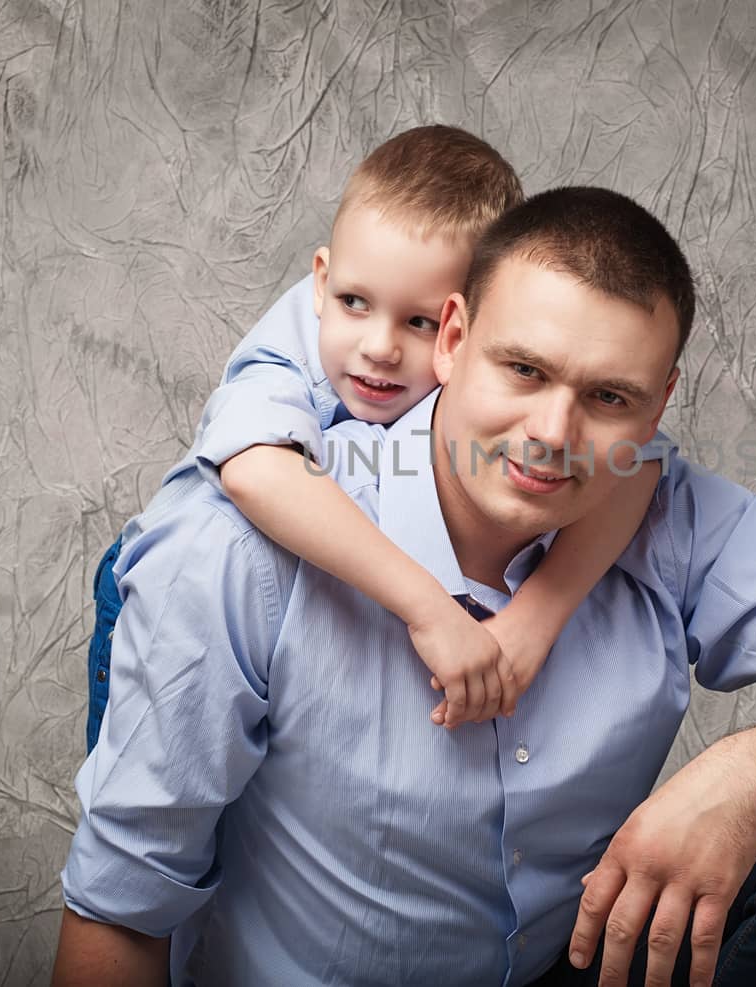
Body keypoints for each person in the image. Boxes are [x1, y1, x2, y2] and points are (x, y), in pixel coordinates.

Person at [53, 187, 756, 986]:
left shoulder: (669, 512)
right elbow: (119, 910)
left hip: (556, 960)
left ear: (661, 400)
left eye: (609, 396)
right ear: (449, 339)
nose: (552, 436)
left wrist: (745, 773)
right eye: (521, 368)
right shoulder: (245, 542)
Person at [85, 126, 667, 750]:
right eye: (355, 302)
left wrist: (536, 618)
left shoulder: (505, 369)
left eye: (418, 322)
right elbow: (254, 472)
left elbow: (640, 464)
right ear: (322, 281)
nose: (379, 347)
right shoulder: (294, 348)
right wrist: (430, 610)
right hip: (174, 597)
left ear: (464, 325)